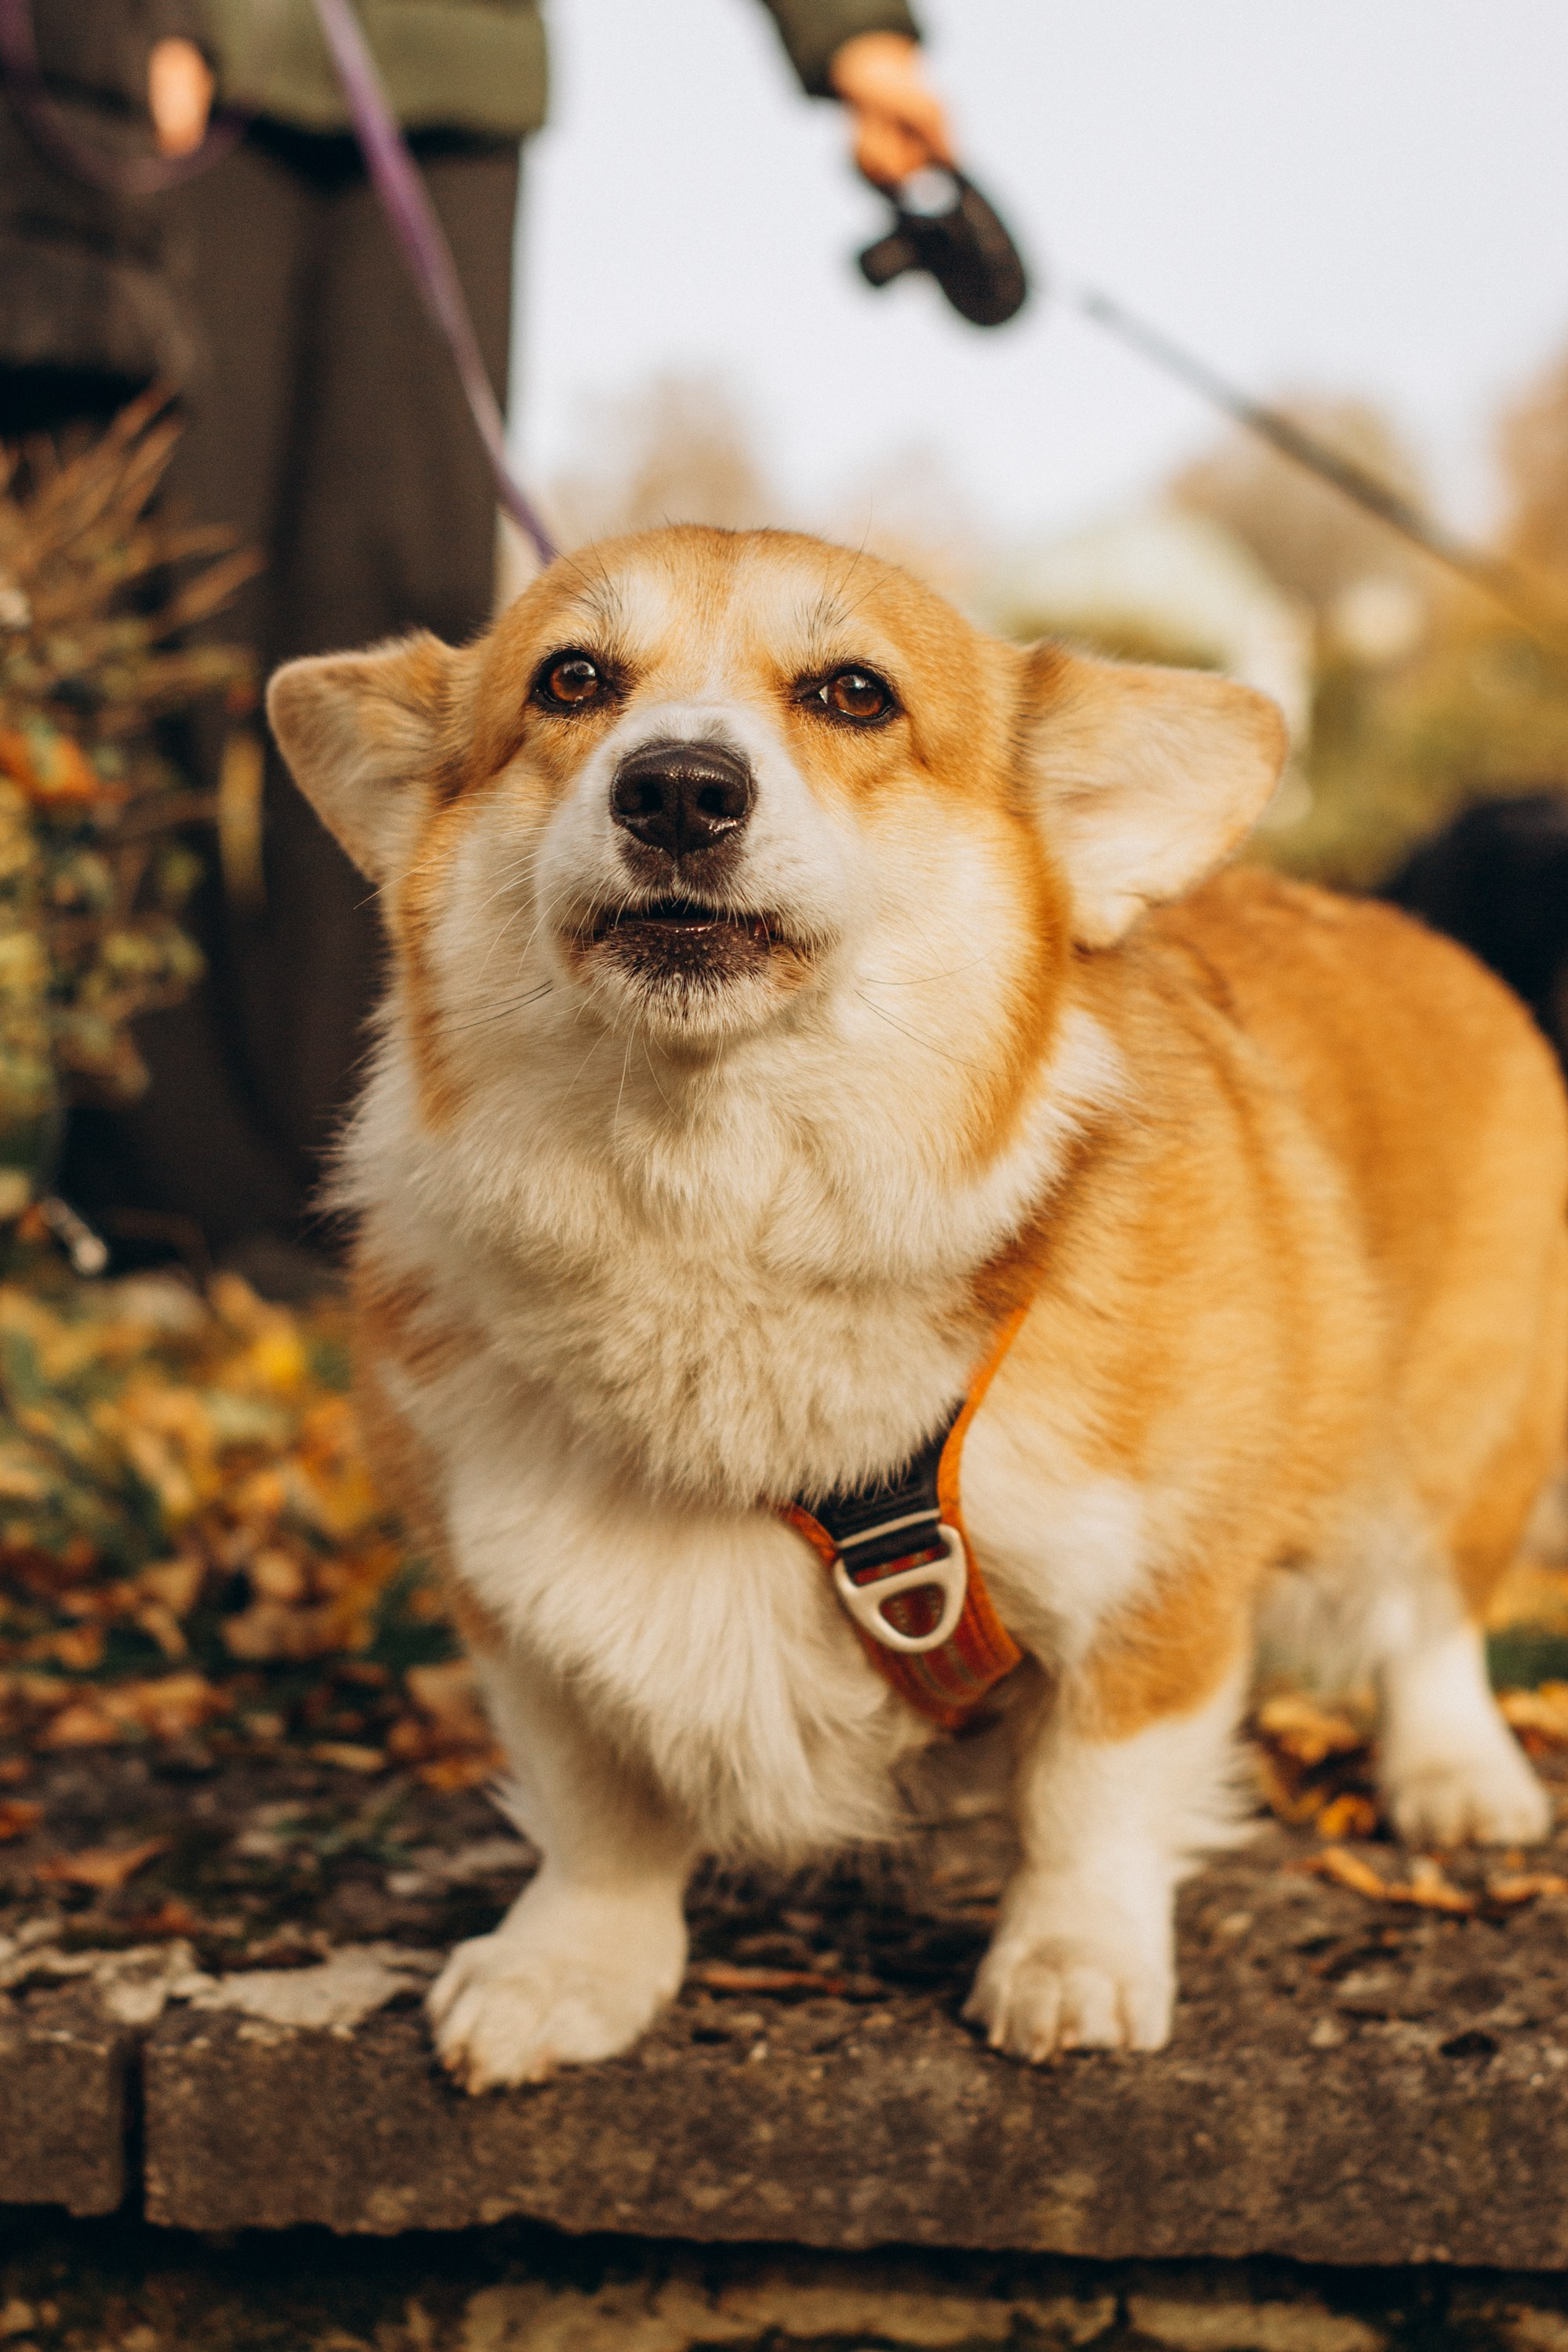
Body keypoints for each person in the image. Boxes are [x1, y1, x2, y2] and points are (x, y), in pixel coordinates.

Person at [35, 1, 957, 1290]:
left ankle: (336, 1205)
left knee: (400, 623)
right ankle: (148, 1203)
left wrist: (855, 41)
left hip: (446, 74)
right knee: (167, 617)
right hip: (179, 65)